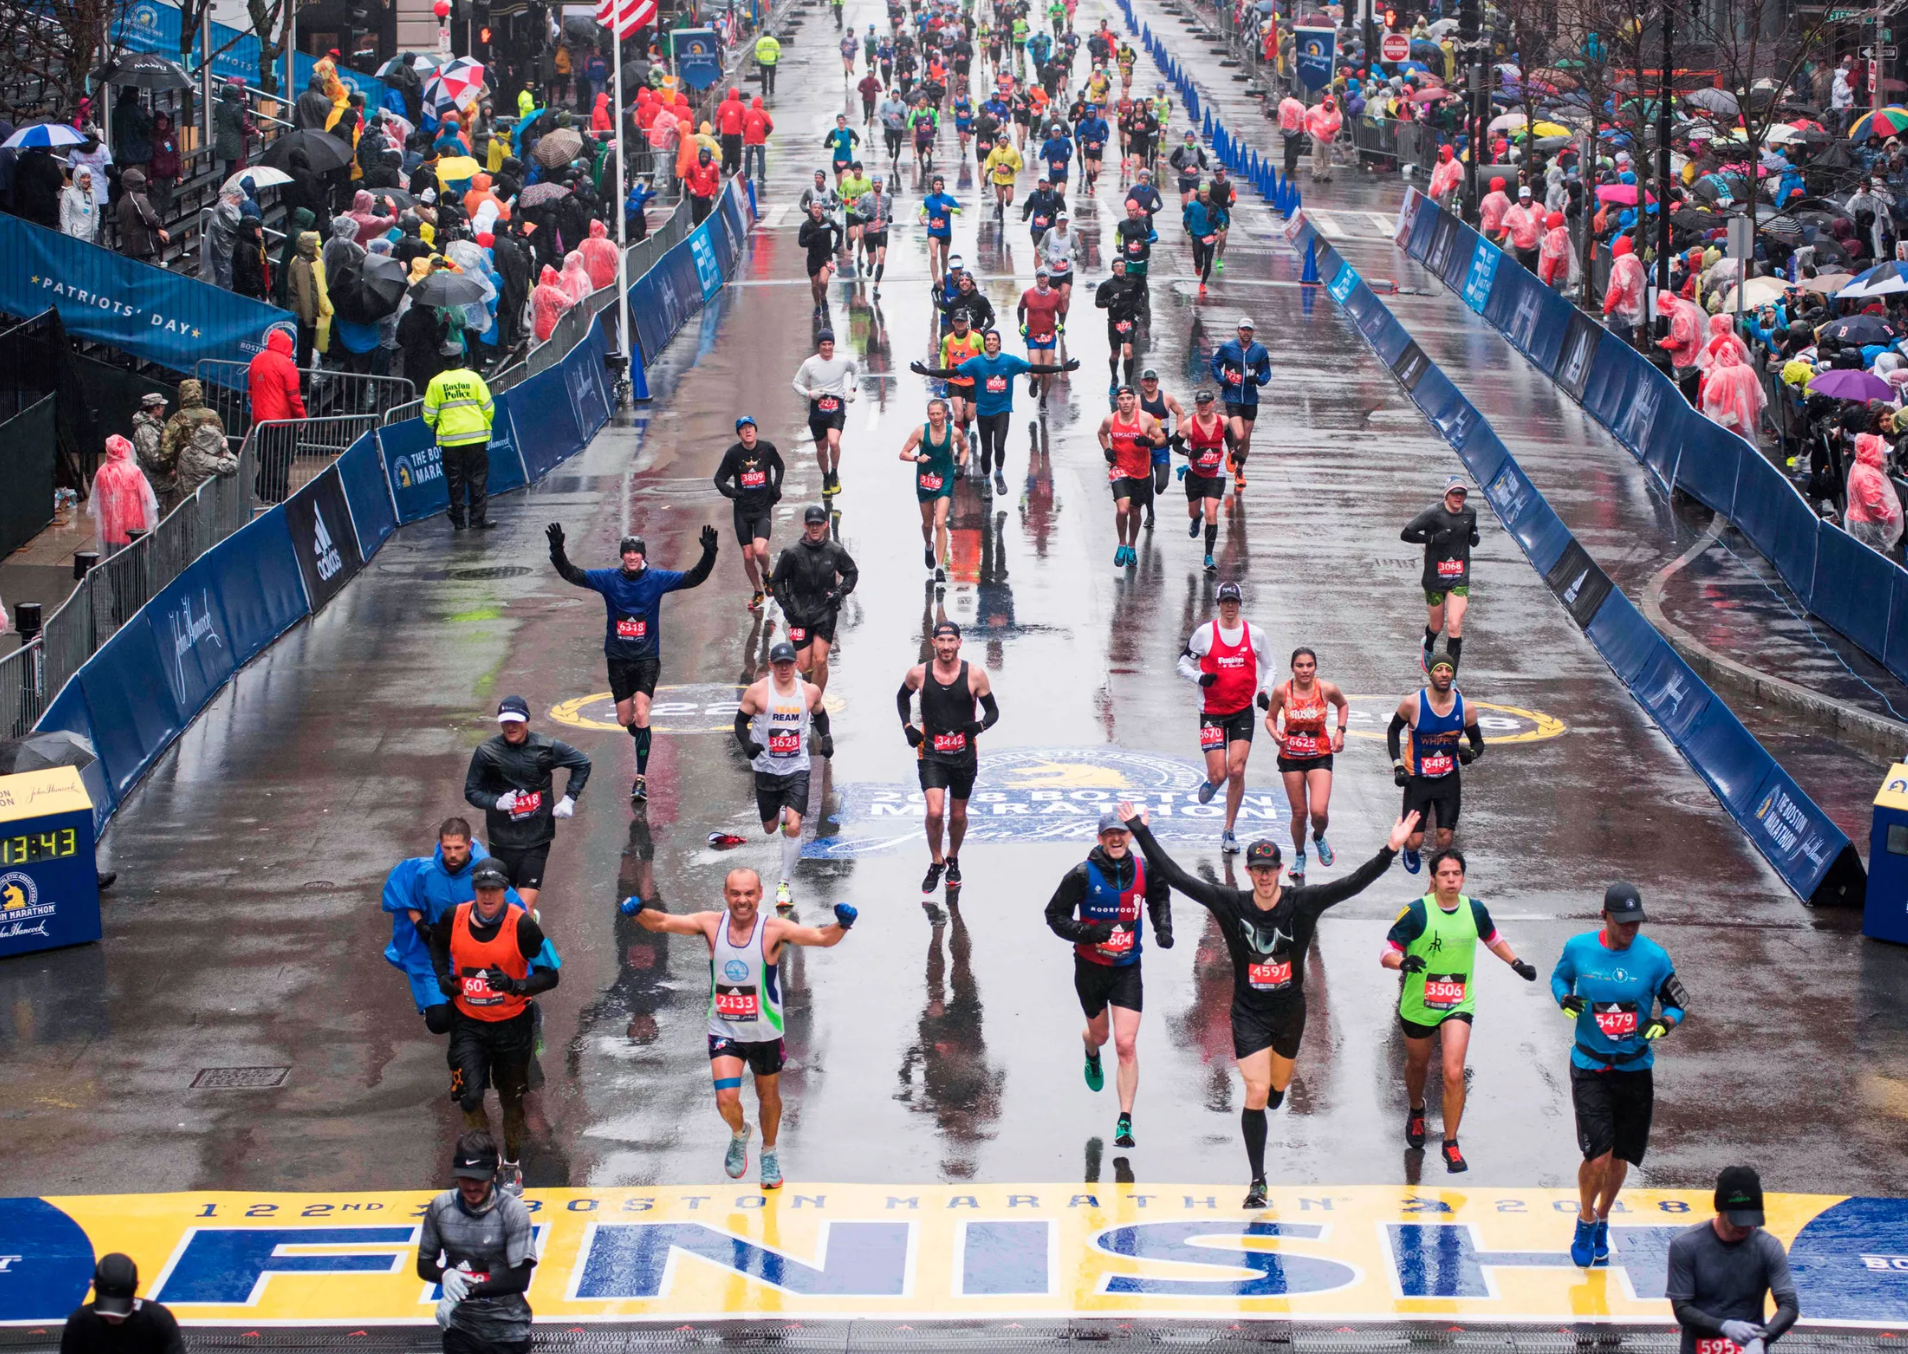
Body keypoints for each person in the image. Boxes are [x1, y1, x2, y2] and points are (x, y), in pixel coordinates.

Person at [1120, 801, 1416, 1206]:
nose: (1264, 876)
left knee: (1277, 1088)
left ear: (1279, 870)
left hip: (1291, 1014)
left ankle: (1278, 1090)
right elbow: (1177, 877)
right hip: (1248, 1014)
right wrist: (1140, 830)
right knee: (1256, 1092)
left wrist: (1390, 849)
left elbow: (1351, 884)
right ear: (1249, 873)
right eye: (1257, 870)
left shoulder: (1303, 902)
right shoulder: (1231, 904)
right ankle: (1258, 1181)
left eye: (1270, 869)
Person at [627, 871, 857, 1189]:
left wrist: (842, 925)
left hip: (765, 1033)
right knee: (725, 1100)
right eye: (735, 893)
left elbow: (820, 938)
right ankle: (740, 1133)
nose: (742, 900)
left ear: (760, 894)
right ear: (725, 894)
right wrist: (639, 913)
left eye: (748, 893)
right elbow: (662, 923)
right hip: (725, 1030)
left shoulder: (774, 929)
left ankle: (769, 1153)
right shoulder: (711, 924)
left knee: (768, 1097)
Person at [1552, 883, 1687, 1267]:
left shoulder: (1655, 958)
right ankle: (1585, 1218)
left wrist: (1665, 1024)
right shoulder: (1579, 949)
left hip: (1635, 1069)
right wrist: (1564, 998)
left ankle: (1604, 1218)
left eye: (1636, 923)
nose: (1631, 929)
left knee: (1620, 1157)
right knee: (1598, 1155)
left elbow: (1677, 1002)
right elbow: (1559, 979)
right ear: (1604, 916)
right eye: (1624, 922)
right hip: (1590, 1065)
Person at [1381, 847, 1538, 1171]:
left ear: (1463, 877)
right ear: (1433, 878)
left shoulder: (1475, 910)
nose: (1451, 880)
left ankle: (1451, 1142)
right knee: (1417, 1067)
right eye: (1444, 874)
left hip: (1457, 1002)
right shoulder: (1415, 912)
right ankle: (1416, 1109)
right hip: (1419, 1005)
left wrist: (1516, 963)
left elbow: (1492, 938)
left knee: (1453, 1072)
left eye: (1456, 874)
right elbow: (1387, 952)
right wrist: (1402, 962)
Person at [546, 523, 718, 803]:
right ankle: (642, 738)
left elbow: (692, 578)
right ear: (622, 556)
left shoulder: (657, 579)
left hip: (647, 659)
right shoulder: (608, 579)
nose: (632, 557)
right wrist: (557, 551)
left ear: (643, 556)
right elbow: (574, 575)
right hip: (617, 659)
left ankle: (640, 779)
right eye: (628, 553)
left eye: (637, 552)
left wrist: (709, 554)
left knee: (641, 713)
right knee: (626, 719)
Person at [1044, 807, 1173, 1148]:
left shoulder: (1144, 869)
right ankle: (1089, 1049)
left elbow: (1159, 895)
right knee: (1101, 1037)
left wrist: (1163, 928)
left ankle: (1125, 1121)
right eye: (1109, 835)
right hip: (1090, 968)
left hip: (1128, 968)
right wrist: (1088, 933)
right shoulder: (1082, 875)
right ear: (1100, 839)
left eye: (1122, 833)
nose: (1117, 839)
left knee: (1126, 1044)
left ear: (1129, 837)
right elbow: (1054, 915)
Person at [428, 860, 560, 1190]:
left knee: (511, 1102)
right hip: (468, 1025)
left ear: (505, 891)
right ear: (475, 890)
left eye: (495, 890)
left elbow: (550, 975)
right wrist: (443, 976)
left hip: (511, 1025)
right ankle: (487, 1158)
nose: (488, 897)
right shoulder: (453, 917)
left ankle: (512, 1163)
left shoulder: (523, 926)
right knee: (469, 1098)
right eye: (482, 890)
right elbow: (436, 944)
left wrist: (516, 985)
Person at [383, 817, 558, 1033]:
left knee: (496, 1010)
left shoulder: (485, 874)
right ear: (440, 845)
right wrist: (420, 925)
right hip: (438, 951)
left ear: (469, 845)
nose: (453, 854)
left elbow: (516, 908)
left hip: (481, 953)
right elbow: (405, 895)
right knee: (439, 1023)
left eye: (458, 847)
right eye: (447, 848)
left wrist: (524, 970)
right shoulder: (423, 871)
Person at [899, 621, 1000, 896]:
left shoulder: (975, 675)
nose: (946, 647)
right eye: (941, 641)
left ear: (959, 643)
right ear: (933, 643)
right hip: (931, 751)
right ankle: (936, 860)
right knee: (934, 811)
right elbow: (902, 697)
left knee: (957, 814)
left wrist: (979, 726)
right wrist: (908, 727)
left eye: (951, 641)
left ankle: (952, 857)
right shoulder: (919, 674)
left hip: (964, 755)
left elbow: (993, 712)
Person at [910, 330, 1077, 494]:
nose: (990, 342)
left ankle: (998, 473)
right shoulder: (975, 363)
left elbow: (1035, 368)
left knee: (999, 445)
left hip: (1002, 409)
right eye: (988, 340)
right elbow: (952, 372)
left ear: (999, 343)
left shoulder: (1009, 361)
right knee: (987, 449)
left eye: (994, 339)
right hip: (983, 411)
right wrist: (926, 372)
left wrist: (1062, 367)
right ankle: (986, 480)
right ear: (985, 343)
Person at [462, 696, 590, 907]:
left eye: (516, 721)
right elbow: (471, 791)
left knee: (522, 908)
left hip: (537, 839)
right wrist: (495, 802)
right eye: (506, 722)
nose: (511, 726)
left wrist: (569, 799)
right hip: (502, 841)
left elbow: (582, 764)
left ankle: (525, 923)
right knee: (501, 906)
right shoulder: (486, 752)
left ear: (527, 720)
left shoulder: (546, 747)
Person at [416, 1131, 538, 1351]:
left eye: (478, 1179)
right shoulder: (440, 1207)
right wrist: (445, 1274)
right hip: (460, 1330)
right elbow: (424, 1264)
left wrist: (466, 1292)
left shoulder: (512, 1211)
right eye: (465, 1178)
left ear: (493, 1175)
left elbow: (519, 1279)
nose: (471, 1187)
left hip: (508, 1331)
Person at [735, 641, 834, 911]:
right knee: (770, 827)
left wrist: (825, 737)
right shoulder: (757, 692)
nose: (784, 669)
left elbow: (821, 715)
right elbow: (739, 723)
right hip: (766, 769)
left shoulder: (809, 691)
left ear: (795, 665)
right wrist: (748, 745)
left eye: (788, 664)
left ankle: (783, 884)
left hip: (797, 769)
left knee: (793, 826)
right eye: (778, 664)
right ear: (771, 666)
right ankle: (783, 817)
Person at [1177, 581, 1273, 854]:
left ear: (1240, 604)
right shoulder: (1204, 634)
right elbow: (1182, 663)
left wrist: (1265, 690)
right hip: (1212, 713)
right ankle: (1213, 782)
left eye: (1234, 602)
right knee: (1219, 774)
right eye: (1225, 602)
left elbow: (1271, 667)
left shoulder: (1255, 635)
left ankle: (1229, 829)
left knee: (1237, 770)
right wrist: (1199, 677)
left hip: (1242, 711)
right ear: (1218, 604)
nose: (1230, 607)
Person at [1667, 1167, 1799, 1354]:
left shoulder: (1768, 1247)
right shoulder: (1686, 1245)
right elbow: (1682, 1309)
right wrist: (1723, 1326)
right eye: (1739, 1219)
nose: (1746, 1226)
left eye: (1751, 1219)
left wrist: (1763, 1338)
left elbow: (1789, 1305)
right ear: (1721, 1210)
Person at [1388, 652, 1481, 869]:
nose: (1444, 674)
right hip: (1417, 779)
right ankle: (1410, 850)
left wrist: (1472, 754)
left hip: (1447, 779)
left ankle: (1439, 878)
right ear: (1430, 674)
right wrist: (1397, 765)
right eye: (1439, 669)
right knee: (1414, 841)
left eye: (1448, 670)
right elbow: (1393, 730)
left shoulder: (1465, 708)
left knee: (1445, 837)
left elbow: (1479, 743)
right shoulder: (1412, 704)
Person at [1262, 647, 1347, 882]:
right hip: (1291, 757)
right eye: (1300, 665)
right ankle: (1299, 856)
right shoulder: (1282, 691)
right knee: (1299, 813)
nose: (1305, 670)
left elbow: (1343, 705)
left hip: (1319, 754)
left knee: (1318, 812)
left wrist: (1340, 731)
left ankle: (1318, 836)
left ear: (1315, 667)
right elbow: (1270, 717)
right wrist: (1275, 733)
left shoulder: (1326, 689)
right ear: (1292, 668)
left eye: (1309, 665)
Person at [768, 505, 859, 692]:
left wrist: (840, 592)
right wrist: (786, 605)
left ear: (825, 525)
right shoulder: (791, 552)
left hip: (825, 611)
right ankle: (807, 691)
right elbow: (776, 580)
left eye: (818, 524)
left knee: (820, 659)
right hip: (798, 614)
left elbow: (851, 573)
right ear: (805, 526)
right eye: (811, 525)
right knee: (803, 665)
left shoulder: (834, 550)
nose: (815, 528)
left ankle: (815, 702)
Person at [1401, 475, 1479, 672]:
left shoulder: (1470, 513)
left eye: (1462, 494)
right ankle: (1427, 645)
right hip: (1434, 578)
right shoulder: (1433, 513)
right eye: (1455, 493)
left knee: (1454, 624)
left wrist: (1474, 537)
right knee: (1437, 626)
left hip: (1458, 578)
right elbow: (1406, 534)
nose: (1459, 497)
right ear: (1447, 494)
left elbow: (1472, 533)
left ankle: (1452, 678)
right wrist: (1433, 539)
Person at [713, 417, 785, 612]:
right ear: (739, 434)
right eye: (743, 429)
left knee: (760, 550)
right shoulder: (733, 454)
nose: (747, 431)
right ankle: (757, 591)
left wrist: (776, 488)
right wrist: (733, 493)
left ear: (755, 430)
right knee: (747, 554)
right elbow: (719, 479)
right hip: (742, 511)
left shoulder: (766, 448)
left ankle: (766, 573)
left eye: (750, 428)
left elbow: (779, 466)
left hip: (762, 508)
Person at [423, 353, 496, 531]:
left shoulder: (436, 382)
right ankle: (477, 519)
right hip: (476, 437)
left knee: (455, 480)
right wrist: (482, 423)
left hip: (450, 440)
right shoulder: (474, 378)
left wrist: (437, 427)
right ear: (461, 360)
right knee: (477, 478)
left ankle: (458, 521)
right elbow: (488, 408)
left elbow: (429, 415)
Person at [1099, 384, 1167, 571]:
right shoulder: (1110, 420)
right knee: (1122, 510)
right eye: (1121, 399)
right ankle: (1121, 544)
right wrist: (1107, 451)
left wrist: (1148, 442)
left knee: (1135, 512)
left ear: (1134, 400)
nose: (1125, 402)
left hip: (1141, 472)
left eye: (1129, 399)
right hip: (1119, 469)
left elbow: (1161, 439)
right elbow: (1101, 433)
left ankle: (1131, 545)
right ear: (1117, 401)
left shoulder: (1145, 419)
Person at [61, 1254, 183, 1354]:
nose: (114, 1316)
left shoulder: (158, 1320)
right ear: (92, 1286)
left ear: (137, 1286)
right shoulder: (79, 1322)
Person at [902, 397, 966, 581]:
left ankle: (939, 567)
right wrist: (916, 458)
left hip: (945, 477)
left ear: (946, 414)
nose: (935, 417)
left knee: (940, 523)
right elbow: (903, 453)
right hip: (925, 479)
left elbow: (964, 449)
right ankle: (928, 545)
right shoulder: (921, 431)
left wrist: (960, 465)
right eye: (932, 414)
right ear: (928, 414)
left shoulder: (954, 432)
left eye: (939, 413)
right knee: (928, 524)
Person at [792, 331, 860, 494]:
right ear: (819, 346)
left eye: (830, 344)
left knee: (833, 442)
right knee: (821, 448)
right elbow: (796, 383)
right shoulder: (809, 363)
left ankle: (834, 473)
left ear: (833, 345)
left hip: (836, 406)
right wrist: (809, 394)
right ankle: (825, 477)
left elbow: (856, 370)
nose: (827, 348)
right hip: (818, 407)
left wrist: (852, 389)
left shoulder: (842, 361)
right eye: (824, 344)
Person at [1209, 317, 1270, 493]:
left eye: (1248, 330)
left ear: (1253, 332)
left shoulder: (1259, 351)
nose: (1245, 333)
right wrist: (1222, 380)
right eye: (1243, 329)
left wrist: (1259, 380)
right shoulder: (1228, 348)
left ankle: (1240, 470)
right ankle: (1231, 449)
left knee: (1247, 437)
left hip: (1250, 399)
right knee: (1240, 434)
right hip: (1232, 396)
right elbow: (1215, 363)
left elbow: (1267, 371)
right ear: (1238, 330)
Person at [1176, 390, 1228, 568]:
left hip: (1216, 473)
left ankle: (1208, 557)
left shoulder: (1223, 422)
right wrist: (1189, 453)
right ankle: (1196, 518)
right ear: (1196, 405)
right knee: (1193, 511)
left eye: (1206, 403)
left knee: (1211, 512)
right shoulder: (1188, 424)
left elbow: (1230, 438)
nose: (1203, 406)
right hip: (1195, 474)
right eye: (1200, 403)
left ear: (1213, 403)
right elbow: (1175, 444)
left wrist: (1235, 451)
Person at [161, 380, 237, 499]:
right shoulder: (213, 415)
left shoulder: (178, 417)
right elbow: (222, 438)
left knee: (187, 504)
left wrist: (169, 467)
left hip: (187, 468)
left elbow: (166, 448)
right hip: (213, 467)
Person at [90, 435, 160, 551]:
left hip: (109, 529)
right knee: (134, 562)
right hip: (134, 529)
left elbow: (94, 500)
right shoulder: (134, 471)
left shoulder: (102, 472)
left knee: (112, 561)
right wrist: (152, 521)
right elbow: (148, 499)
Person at [1134, 368, 1182, 526]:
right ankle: (1150, 514)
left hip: (1162, 448)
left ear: (1157, 381)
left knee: (1160, 485)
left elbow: (1180, 412)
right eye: (1146, 380)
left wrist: (1178, 432)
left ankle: (1155, 495)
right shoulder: (1137, 401)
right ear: (1142, 382)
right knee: (1148, 483)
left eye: (1152, 380)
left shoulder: (1166, 398)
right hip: (1144, 449)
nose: (1149, 383)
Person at [1095, 258, 1146, 391]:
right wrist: (1108, 302)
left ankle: (1128, 383)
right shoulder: (1106, 285)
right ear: (1113, 268)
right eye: (1117, 266)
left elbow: (1142, 295)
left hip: (1128, 321)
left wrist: (1140, 308)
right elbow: (1098, 302)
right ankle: (1114, 378)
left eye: (1122, 266)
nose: (1120, 268)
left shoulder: (1133, 283)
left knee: (1128, 352)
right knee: (1115, 354)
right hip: (1114, 322)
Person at [1017, 269, 1065, 404]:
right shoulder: (1028, 294)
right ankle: (1034, 381)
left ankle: (1043, 399)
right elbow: (1020, 309)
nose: (1042, 279)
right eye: (1039, 277)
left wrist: (1061, 324)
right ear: (1036, 278)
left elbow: (1062, 312)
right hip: (1033, 336)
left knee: (1047, 373)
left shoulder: (1055, 295)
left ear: (1048, 279)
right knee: (1036, 372)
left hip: (1049, 336)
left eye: (1044, 277)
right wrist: (1021, 324)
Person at [130, 391, 178, 515]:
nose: (163, 409)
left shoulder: (157, 425)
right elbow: (154, 460)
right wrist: (170, 467)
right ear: (155, 408)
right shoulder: (146, 431)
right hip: (155, 484)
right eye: (161, 406)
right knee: (157, 520)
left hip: (163, 483)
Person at [798, 198, 844, 315]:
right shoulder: (806, 225)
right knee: (814, 286)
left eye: (819, 208)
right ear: (811, 209)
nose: (817, 210)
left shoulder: (828, 221)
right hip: (813, 258)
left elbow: (840, 231)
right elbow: (801, 242)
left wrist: (836, 246)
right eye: (814, 208)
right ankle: (817, 305)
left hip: (826, 257)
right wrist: (810, 239)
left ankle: (823, 296)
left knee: (823, 282)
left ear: (822, 209)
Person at [920, 174, 961, 281]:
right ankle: (935, 281)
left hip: (945, 232)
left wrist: (949, 209)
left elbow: (959, 210)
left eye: (940, 184)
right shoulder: (928, 199)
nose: (938, 186)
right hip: (933, 231)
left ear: (943, 186)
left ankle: (943, 276)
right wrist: (921, 217)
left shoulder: (948, 198)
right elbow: (923, 210)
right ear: (932, 186)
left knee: (944, 257)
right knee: (934, 255)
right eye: (936, 184)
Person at [756, 29, 783, 95]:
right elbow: (778, 52)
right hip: (772, 62)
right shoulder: (774, 41)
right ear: (770, 34)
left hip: (763, 63)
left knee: (763, 77)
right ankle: (771, 90)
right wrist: (777, 58)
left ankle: (764, 90)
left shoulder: (760, 41)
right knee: (772, 76)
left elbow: (757, 52)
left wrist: (759, 58)